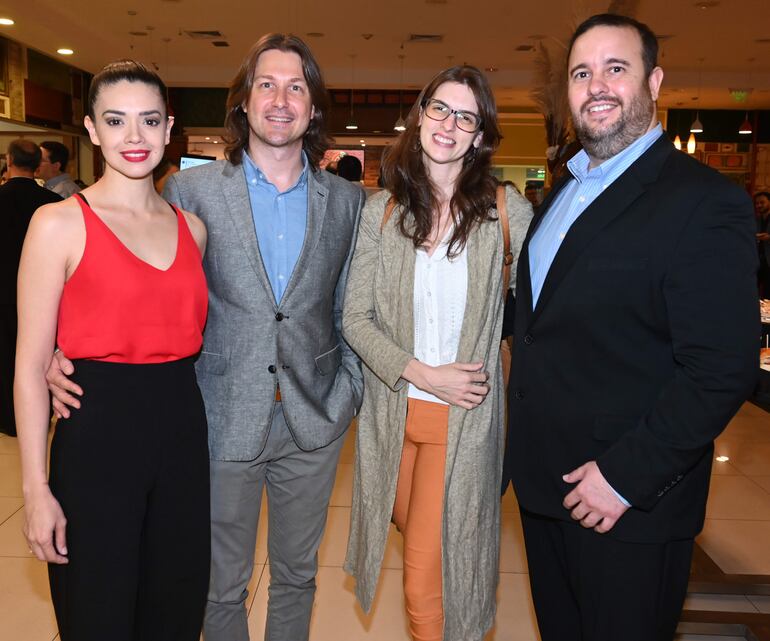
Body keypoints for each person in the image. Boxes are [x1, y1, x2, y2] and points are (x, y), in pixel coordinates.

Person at [49, 34, 364, 641]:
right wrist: (60, 350)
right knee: (219, 583)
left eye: (296, 86)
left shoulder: (348, 202)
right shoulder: (190, 194)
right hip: (219, 414)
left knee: (299, 575)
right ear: (242, 102)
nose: (279, 99)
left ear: (314, 106)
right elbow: (137, 277)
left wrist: (346, 392)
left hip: (314, 419)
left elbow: (352, 306)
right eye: (265, 85)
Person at [504, 14, 758, 641]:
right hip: (545, 488)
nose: (597, 86)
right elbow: (542, 320)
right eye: (581, 73)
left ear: (655, 81)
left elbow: (722, 367)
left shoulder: (702, 201)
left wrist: (624, 478)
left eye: (616, 68)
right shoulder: (564, 189)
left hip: (626, 502)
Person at [15, 60, 209, 640]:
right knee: (97, 614)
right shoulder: (57, 224)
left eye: (149, 121)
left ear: (169, 127)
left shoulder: (192, 229)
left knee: (174, 611)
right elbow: (28, 367)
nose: (134, 137)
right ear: (92, 129)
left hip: (181, 438)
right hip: (96, 439)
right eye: (116, 121)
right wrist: (35, 488)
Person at [343, 66, 532, 641]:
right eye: (440, 109)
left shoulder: (506, 212)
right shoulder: (381, 212)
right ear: (420, 115)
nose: (450, 124)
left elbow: (557, 306)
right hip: (393, 417)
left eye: (466, 117)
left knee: (423, 579)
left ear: (479, 136)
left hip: (464, 423)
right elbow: (355, 317)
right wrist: (424, 373)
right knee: (406, 528)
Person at [0, 139, 62, 437]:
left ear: (9, 160)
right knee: (41, 355)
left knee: (5, 355)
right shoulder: (51, 203)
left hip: (3, 291)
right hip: (45, 292)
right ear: (37, 164)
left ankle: (8, 418)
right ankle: (42, 410)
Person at [755, 191, 770, 296]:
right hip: (758, 260)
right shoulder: (757, 219)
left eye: (762, 202)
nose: (759, 205)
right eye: (757, 203)